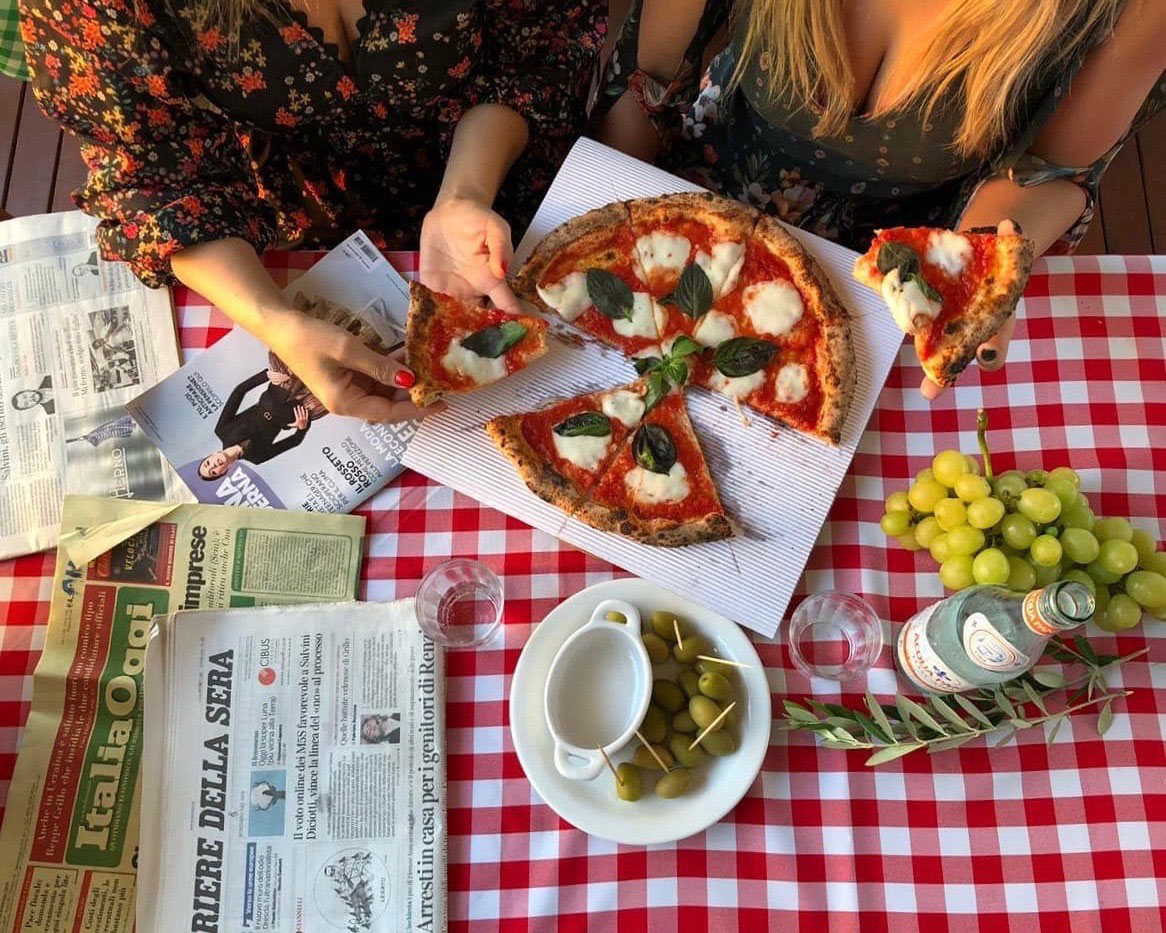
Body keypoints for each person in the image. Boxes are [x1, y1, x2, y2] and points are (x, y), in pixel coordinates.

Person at [21, 0, 606, 422]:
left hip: (498, 188)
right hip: (285, 224)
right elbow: (152, 178)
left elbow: (535, 59)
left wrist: (464, 195)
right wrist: (274, 320)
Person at [597, 0, 1166, 397]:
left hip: (893, 263)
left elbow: (1051, 169)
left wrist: (980, 262)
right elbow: (651, 77)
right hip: (699, 182)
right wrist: (614, 212)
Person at [199, 370, 318, 479]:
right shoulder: (257, 458)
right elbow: (294, 441)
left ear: (212, 454)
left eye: (208, 463)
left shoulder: (222, 430)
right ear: (223, 472)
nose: (213, 465)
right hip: (295, 412)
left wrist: (266, 375)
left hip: (279, 391)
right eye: (213, 472)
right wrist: (301, 427)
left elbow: (239, 391)